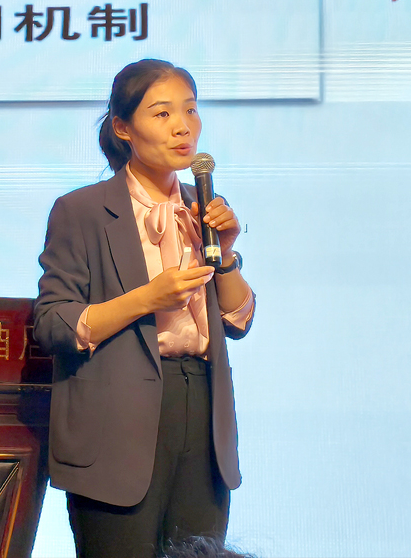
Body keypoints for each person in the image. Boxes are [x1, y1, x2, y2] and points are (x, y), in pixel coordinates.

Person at [34, 59, 255, 557]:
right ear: (122, 128)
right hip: (115, 417)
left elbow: (238, 320)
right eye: (162, 113)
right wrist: (146, 299)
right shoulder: (82, 210)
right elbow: (52, 322)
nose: (183, 127)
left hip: (201, 410)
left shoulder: (202, 207)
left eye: (191, 110)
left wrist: (226, 254)